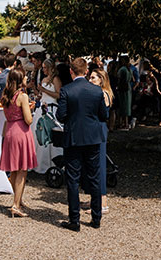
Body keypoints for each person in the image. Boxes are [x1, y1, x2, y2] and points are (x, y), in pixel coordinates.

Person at [56, 57, 109, 231]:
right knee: (94, 176)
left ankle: (75, 219)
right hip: (93, 138)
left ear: (71, 71)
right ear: (86, 72)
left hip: (73, 138)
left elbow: (60, 116)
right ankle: (96, 217)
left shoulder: (66, 90)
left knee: (73, 179)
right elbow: (104, 115)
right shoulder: (96, 91)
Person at [0, 69, 37, 217]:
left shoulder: (6, 95)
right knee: (22, 169)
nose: (27, 79)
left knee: (14, 169)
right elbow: (28, 120)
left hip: (9, 130)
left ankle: (18, 200)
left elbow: (10, 113)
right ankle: (15, 204)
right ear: (21, 80)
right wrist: (30, 110)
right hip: (21, 132)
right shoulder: (22, 96)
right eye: (26, 77)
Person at [87, 68, 114, 213]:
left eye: (93, 78)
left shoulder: (102, 94)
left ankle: (102, 202)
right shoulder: (101, 93)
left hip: (98, 129)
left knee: (99, 165)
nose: (90, 81)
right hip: (98, 128)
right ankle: (95, 199)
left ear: (101, 80)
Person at [115, 55, 133, 130]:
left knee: (122, 106)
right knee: (127, 106)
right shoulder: (129, 69)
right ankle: (126, 123)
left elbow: (119, 79)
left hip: (122, 89)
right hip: (128, 88)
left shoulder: (122, 69)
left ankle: (122, 124)